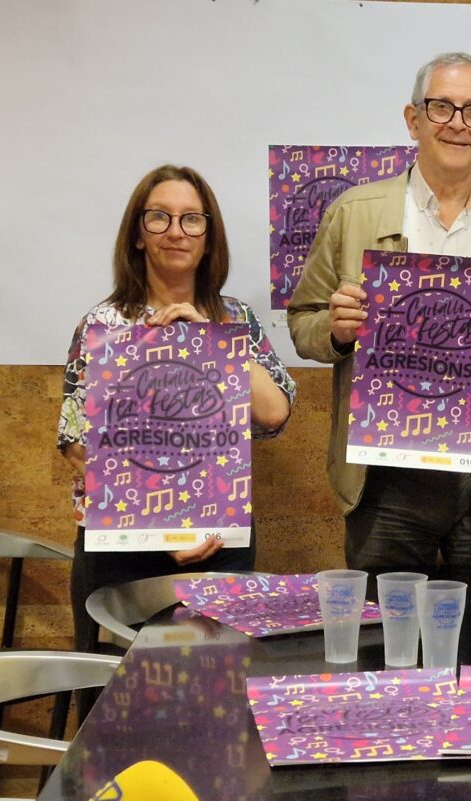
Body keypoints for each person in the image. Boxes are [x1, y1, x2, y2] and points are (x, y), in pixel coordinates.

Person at [287, 53, 471, 583]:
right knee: (386, 630)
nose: (457, 123)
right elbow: (303, 322)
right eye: (441, 107)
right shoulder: (353, 212)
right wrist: (337, 331)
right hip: (385, 475)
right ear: (413, 120)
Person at [59, 164, 296, 653]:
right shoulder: (103, 325)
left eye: (192, 219)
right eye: (159, 217)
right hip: (121, 546)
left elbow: (274, 412)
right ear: (138, 235)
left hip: (217, 541)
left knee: (210, 690)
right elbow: (76, 446)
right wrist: (160, 528)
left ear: (209, 238)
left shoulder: (236, 319)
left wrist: (211, 337)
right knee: (113, 691)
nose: (175, 231)